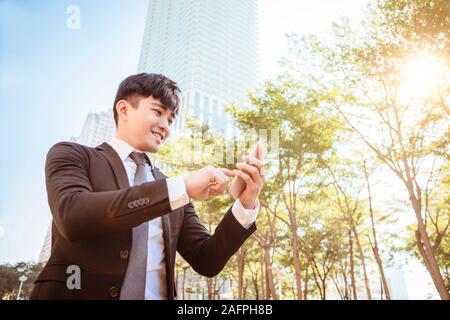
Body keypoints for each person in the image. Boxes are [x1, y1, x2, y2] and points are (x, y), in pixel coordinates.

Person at [30, 73, 265, 300]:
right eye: (157, 112)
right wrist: (183, 185)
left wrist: (245, 204)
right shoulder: (73, 155)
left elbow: (207, 259)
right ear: (123, 109)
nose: (165, 126)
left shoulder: (173, 189)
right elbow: (72, 215)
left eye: (171, 119)